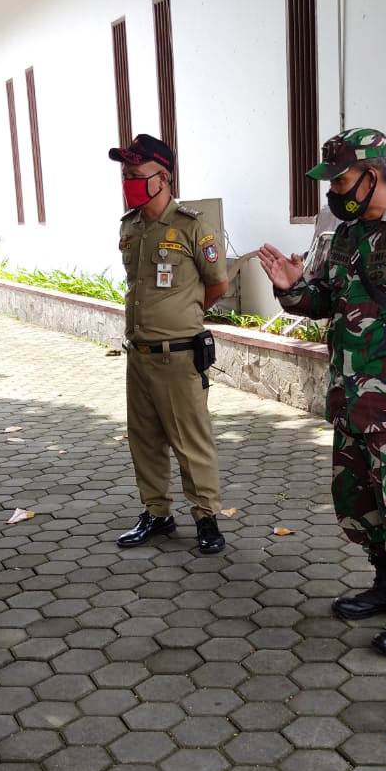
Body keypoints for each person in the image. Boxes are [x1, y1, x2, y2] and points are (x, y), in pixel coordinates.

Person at [259, 128, 386, 659]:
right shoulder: (346, 237)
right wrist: (290, 286)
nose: (333, 190)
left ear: (374, 174)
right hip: (352, 399)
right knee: (359, 501)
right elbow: (324, 300)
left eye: (341, 178)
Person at [111, 134, 229, 555]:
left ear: (163, 178)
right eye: (125, 175)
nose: (129, 182)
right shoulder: (130, 227)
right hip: (138, 356)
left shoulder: (192, 226)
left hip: (178, 355)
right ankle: (157, 513)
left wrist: (182, 317)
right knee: (144, 439)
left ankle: (206, 517)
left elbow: (216, 285)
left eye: (137, 175)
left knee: (190, 440)